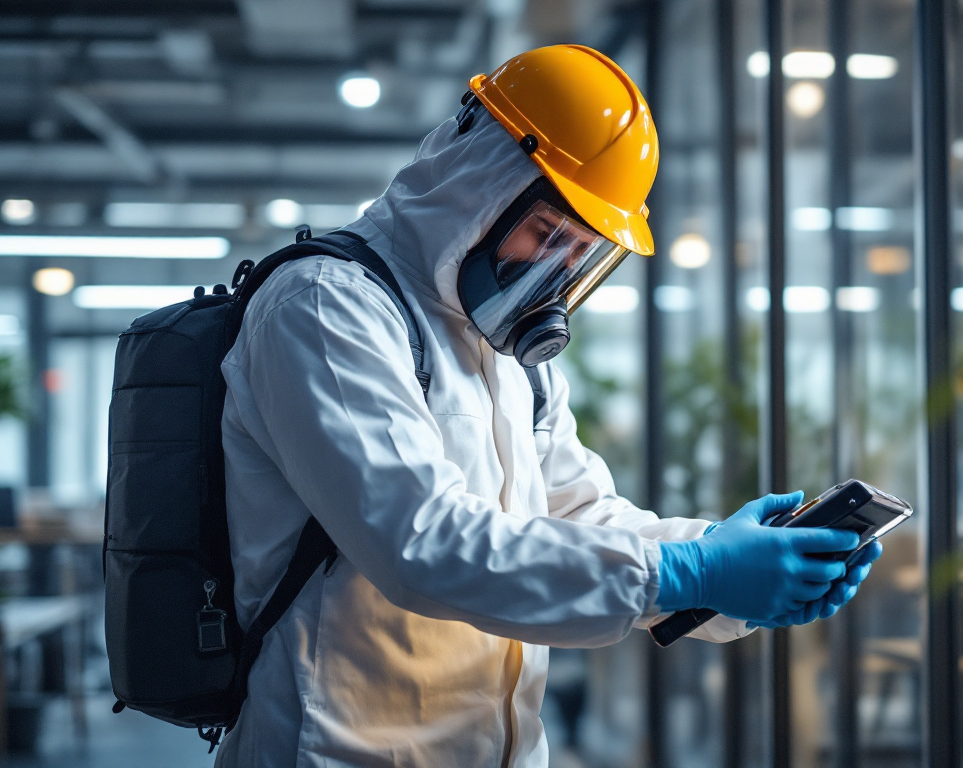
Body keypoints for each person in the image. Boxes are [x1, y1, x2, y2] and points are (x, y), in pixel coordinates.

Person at [215, 44, 881, 768]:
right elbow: (421, 545)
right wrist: (690, 573)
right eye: (547, 233)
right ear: (479, 179)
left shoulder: (507, 355)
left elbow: (583, 518)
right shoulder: (325, 307)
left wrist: (730, 569)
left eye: (580, 253)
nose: (552, 274)